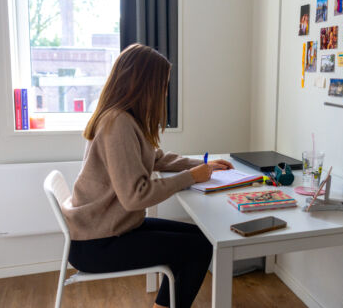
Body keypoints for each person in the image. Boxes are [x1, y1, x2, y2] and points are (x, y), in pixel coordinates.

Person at [61, 44, 233, 308]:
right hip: (98, 243)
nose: (165, 92)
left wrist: (204, 166)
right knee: (198, 248)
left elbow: (157, 159)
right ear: (144, 85)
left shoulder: (124, 119)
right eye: (162, 85)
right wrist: (190, 177)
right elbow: (135, 197)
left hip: (109, 229)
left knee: (201, 240)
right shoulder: (117, 124)